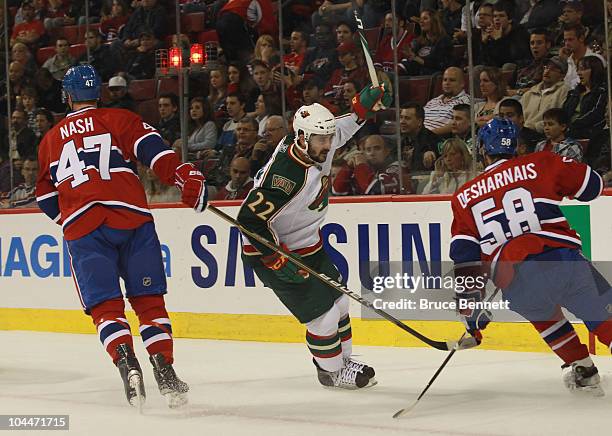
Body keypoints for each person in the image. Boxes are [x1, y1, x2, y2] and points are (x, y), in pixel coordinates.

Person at [35, 65, 208, 409]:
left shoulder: (50, 138)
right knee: (148, 300)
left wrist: (70, 219)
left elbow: (44, 196)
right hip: (131, 216)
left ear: (67, 97)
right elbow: (154, 151)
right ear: (97, 94)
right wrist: (182, 176)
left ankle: (126, 361)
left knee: (105, 307)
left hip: (83, 228)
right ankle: (164, 368)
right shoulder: (119, 118)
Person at [236, 85, 391, 389]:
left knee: (340, 304)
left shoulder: (312, 143)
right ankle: (331, 373)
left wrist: (361, 110)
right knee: (323, 318)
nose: (329, 144)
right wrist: (275, 258)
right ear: (303, 138)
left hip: (308, 243)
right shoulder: (285, 177)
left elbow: (340, 131)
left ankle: (343, 363)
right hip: (272, 252)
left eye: (328, 138)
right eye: (323, 139)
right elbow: (249, 221)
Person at [449, 117, 610, 396]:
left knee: (547, 318)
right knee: (602, 316)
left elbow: (465, 257)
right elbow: (592, 187)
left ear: (483, 151)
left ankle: (584, 372)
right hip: (561, 261)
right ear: (517, 147)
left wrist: (469, 307)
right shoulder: (541, 162)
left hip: (515, 281)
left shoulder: (463, 197)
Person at [521, 56, 570, 133]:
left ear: (562, 76)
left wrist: (535, 127)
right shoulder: (530, 93)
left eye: (553, 69)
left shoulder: (564, 91)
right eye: (546, 67)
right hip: (522, 132)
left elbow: (558, 118)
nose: (547, 71)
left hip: (543, 133)